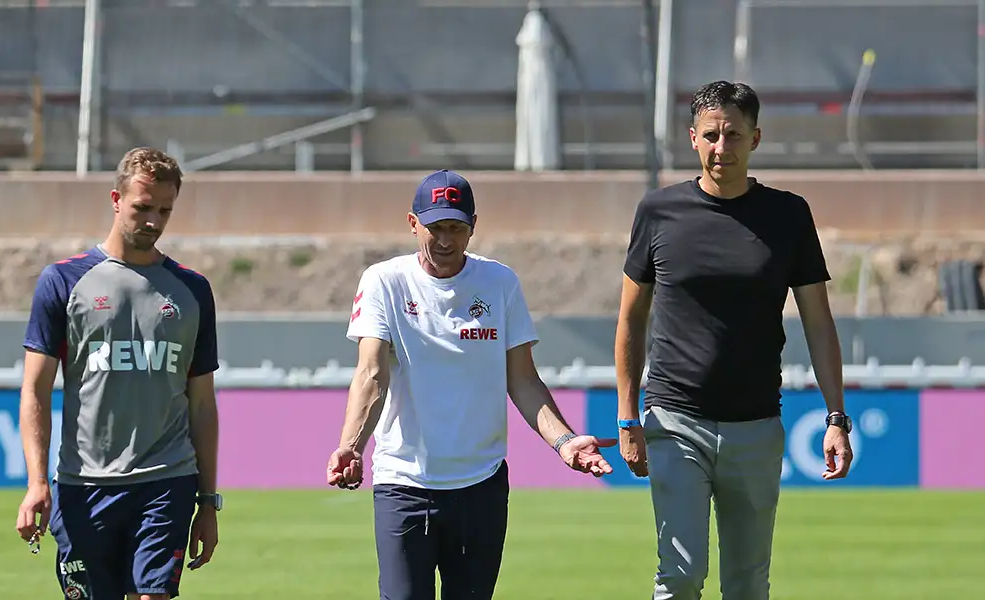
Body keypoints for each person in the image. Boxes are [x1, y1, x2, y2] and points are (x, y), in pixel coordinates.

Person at [326, 169, 617, 600]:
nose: (445, 240)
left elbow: (522, 379)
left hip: (480, 486)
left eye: (456, 228)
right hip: (404, 483)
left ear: (473, 226)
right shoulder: (384, 281)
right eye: (435, 228)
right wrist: (352, 445)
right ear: (412, 224)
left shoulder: (499, 283)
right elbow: (371, 373)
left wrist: (565, 442)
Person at [613, 81, 854, 600]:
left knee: (747, 584)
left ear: (756, 138)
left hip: (757, 426)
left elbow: (818, 322)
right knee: (681, 575)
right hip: (675, 421)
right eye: (712, 135)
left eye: (734, 135)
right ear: (693, 139)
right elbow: (631, 321)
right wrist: (627, 417)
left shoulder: (789, 215)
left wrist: (836, 417)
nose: (723, 148)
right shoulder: (658, 212)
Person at [15, 147, 222, 600]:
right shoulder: (63, 282)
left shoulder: (192, 290)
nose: (154, 221)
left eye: (165, 210)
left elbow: (202, 403)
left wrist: (208, 501)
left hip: (166, 481)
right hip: (83, 486)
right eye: (142, 208)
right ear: (115, 199)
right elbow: (34, 391)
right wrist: (35, 483)